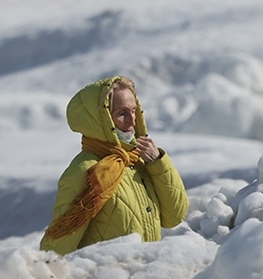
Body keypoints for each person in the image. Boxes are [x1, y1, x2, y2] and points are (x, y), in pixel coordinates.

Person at [40, 76, 189, 254]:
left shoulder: (139, 160)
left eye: (134, 111)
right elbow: (58, 247)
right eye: (122, 113)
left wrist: (158, 163)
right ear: (101, 120)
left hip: (146, 277)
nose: (132, 120)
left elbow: (175, 215)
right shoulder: (85, 170)